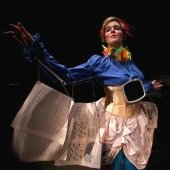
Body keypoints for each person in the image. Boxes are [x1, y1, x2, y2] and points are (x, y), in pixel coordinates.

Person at [5, 16, 163, 170]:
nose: (113, 31)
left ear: (123, 34)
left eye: (116, 28)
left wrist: (150, 86)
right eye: (108, 30)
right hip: (116, 125)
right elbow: (67, 75)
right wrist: (36, 47)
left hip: (136, 122)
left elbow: (135, 87)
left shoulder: (130, 62)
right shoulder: (99, 62)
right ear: (104, 37)